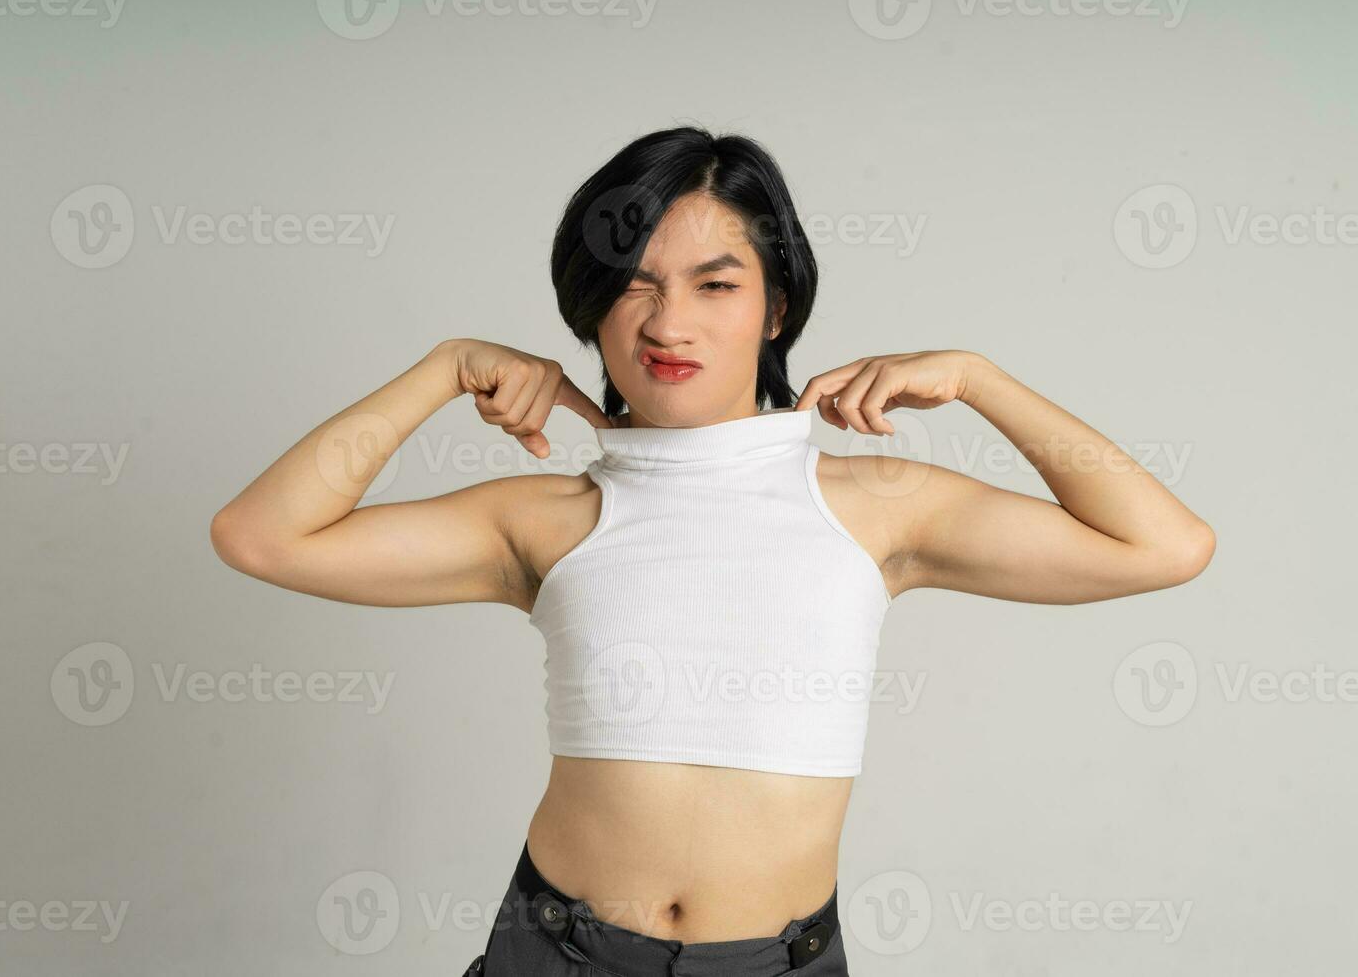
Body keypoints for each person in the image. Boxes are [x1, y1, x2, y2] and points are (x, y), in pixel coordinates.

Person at [209, 127, 1215, 976]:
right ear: (593, 312)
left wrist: (979, 378)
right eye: (634, 286)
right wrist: (442, 369)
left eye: (715, 283)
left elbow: (1163, 544)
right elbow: (260, 534)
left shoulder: (880, 508)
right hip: (556, 950)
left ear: (776, 309)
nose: (670, 321)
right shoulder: (545, 517)